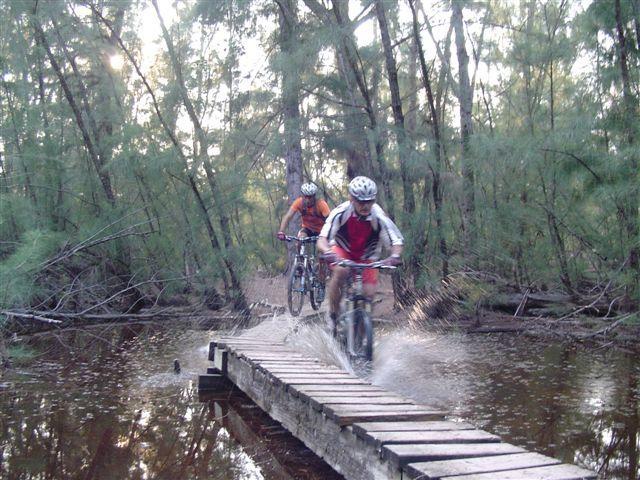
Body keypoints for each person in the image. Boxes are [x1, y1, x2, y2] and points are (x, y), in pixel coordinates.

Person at [317, 176, 403, 334]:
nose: (365, 205)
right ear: (351, 199)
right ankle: (333, 315)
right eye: (360, 201)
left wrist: (395, 256)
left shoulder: (379, 216)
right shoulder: (340, 212)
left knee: (369, 294)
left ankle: (362, 337)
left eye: (369, 201)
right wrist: (328, 252)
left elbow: (395, 241)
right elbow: (322, 240)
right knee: (341, 271)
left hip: (367, 256)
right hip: (342, 250)